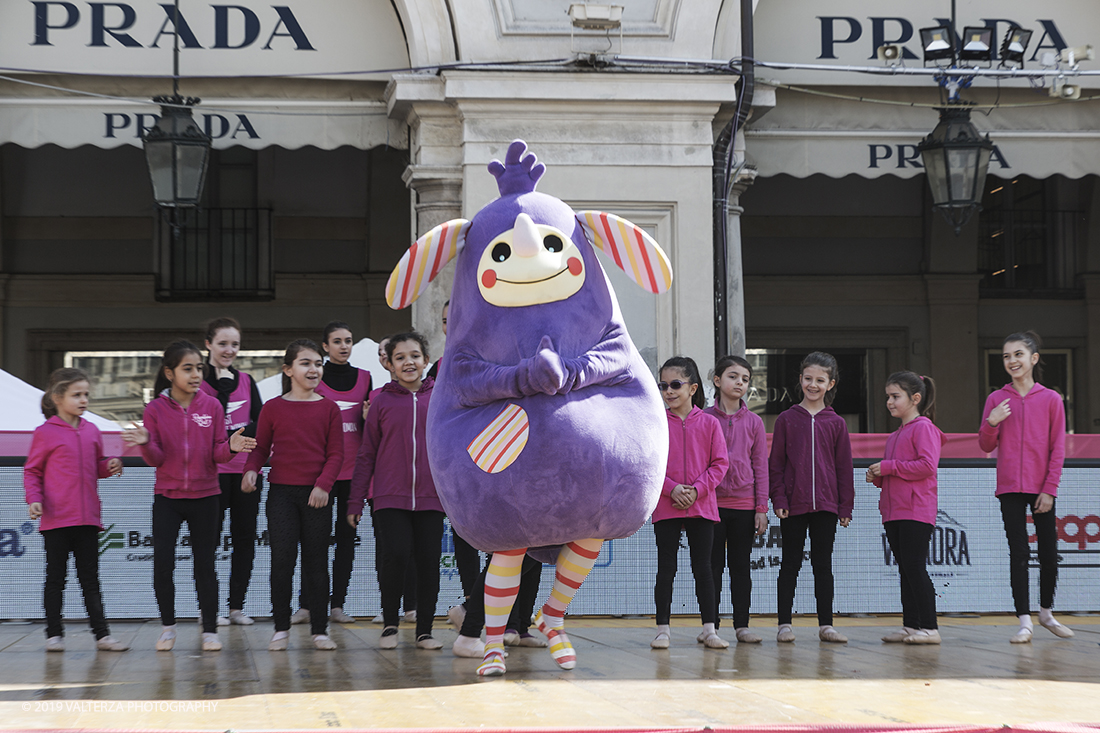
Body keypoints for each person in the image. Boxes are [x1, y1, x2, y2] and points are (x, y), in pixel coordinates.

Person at [124, 341, 255, 652]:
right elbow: (155, 459)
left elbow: (217, 454)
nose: (196, 374)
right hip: (168, 498)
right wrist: (144, 441)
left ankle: (209, 629)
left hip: (206, 496)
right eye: (188, 369)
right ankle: (168, 627)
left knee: (205, 565)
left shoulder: (211, 406)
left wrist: (231, 448)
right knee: (163, 564)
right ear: (170, 373)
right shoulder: (154, 409)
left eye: (199, 368)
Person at [243, 339, 344, 651]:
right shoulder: (273, 408)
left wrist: (323, 485)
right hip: (282, 494)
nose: (313, 369)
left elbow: (336, 455)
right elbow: (260, 448)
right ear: (288, 369)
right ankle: (281, 627)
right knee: (282, 561)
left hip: (317, 496)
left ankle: (319, 629)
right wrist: (251, 470)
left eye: (317, 363)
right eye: (305, 363)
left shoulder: (329, 408)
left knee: (316, 563)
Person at [349, 332, 444, 650]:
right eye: (400, 357)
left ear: (426, 361)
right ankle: (390, 623)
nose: (409, 362)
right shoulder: (381, 402)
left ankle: (425, 631)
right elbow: (367, 454)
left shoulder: (440, 399)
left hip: (432, 498)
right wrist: (356, 499)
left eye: (415, 355)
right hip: (389, 496)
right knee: (396, 555)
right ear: (388, 363)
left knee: (429, 562)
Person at [979, 331, 1073, 643]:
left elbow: (1057, 448)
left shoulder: (1051, 399)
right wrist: (992, 422)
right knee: (1018, 552)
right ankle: (1024, 621)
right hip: (1009, 487)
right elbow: (984, 444)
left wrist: (1050, 488)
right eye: (1006, 356)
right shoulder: (996, 399)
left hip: (1041, 487)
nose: (1012, 361)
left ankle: (1046, 613)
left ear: (1033, 359)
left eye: (1018, 354)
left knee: (1048, 552)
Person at [25, 367, 128, 653]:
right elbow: (32, 471)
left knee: (90, 579)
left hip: (87, 519)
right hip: (56, 519)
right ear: (57, 397)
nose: (84, 400)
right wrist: (34, 499)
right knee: (56, 578)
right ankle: (54, 634)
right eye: (77, 394)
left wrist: (108, 466)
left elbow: (95, 467)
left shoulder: (92, 430)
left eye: (86, 395)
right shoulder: (44, 433)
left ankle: (102, 635)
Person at [289, 321, 374, 626]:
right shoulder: (313, 379)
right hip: (321, 473)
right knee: (314, 541)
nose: (344, 346)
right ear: (324, 347)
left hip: (354, 474)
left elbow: (370, 430)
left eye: (348, 340)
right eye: (336, 341)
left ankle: (337, 605)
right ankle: (307, 605)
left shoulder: (365, 378)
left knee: (346, 543)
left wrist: (367, 419)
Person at [769, 351, 853, 644]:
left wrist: (845, 505)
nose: (813, 385)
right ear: (800, 380)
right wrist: (778, 499)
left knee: (823, 563)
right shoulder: (786, 419)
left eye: (820, 380)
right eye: (808, 379)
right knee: (790, 562)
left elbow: (844, 467)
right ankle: (784, 624)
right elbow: (776, 465)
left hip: (827, 507)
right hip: (793, 505)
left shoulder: (836, 423)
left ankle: (826, 625)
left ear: (831, 384)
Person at [650, 356, 729, 650]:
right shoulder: (655, 423)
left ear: (693, 387)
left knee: (704, 567)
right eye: (663, 385)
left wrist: (697, 490)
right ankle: (662, 629)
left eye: (675, 384)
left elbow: (720, 464)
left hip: (702, 505)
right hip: (666, 505)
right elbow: (649, 464)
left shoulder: (710, 423)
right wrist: (671, 490)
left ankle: (710, 629)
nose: (668, 391)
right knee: (666, 567)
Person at [866, 372, 945, 645]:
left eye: (895, 396)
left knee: (914, 567)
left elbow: (926, 466)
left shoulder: (923, 428)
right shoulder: (895, 435)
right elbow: (902, 472)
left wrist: (887, 468)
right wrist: (879, 477)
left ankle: (930, 627)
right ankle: (911, 625)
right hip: (895, 511)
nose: (889, 401)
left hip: (915, 510)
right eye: (888, 396)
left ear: (915, 398)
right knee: (906, 569)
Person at [200, 316, 263, 626]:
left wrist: (253, 468)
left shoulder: (247, 381)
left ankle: (236, 607)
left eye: (234, 344)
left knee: (244, 540)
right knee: (207, 542)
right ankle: (207, 610)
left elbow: (262, 427)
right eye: (222, 343)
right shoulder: (195, 381)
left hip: (243, 474)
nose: (229, 350)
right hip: (209, 474)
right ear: (208, 344)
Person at [704, 355, 768, 644]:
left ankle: (742, 624)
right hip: (711, 505)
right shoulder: (704, 418)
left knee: (740, 566)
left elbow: (760, 466)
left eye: (744, 378)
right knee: (712, 566)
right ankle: (711, 627)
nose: (739, 382)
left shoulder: (754, 422)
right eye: (733, 376)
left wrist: (761, 507)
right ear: (717, 381)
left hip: (744, 505)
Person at [365, 336, 417, 625]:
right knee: (388, 550)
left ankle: (412, 606)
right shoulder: (376, 397)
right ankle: (388, 610)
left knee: (414, 551)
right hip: (383, 488)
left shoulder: (428, 394)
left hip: (418, 490)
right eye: (386, 355)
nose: (398, 360)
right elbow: (370, 445)